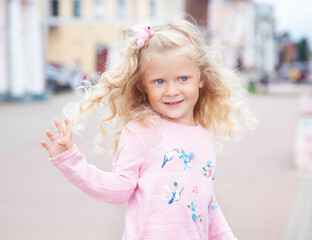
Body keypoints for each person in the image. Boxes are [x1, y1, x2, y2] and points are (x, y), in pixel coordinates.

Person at [41, 18, 253, 240]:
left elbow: (206, 203)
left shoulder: (204, 136)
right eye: (159, 81)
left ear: (202, 78)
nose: (172, 90)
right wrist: (71, 161)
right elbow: (118, 188)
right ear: (143, 85)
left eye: (183, 78)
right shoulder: (141, 131)